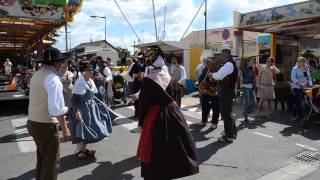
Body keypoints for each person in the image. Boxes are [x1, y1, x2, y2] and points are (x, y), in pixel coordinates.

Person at [135, 46, 199, 180]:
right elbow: (172, 93)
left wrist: (141, 122)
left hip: (156, 116)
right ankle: (169, 172)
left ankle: (157, 174)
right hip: (173, 112)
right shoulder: (166, 75)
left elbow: (144, 103)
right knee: (173, 146)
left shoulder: (149, 79)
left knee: (155, 148)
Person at [27, 47, 71, 180]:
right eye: (62, 62)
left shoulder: (37, 74)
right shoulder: (53, 78)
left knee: (42, 159)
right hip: (45, 125)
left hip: (33, 122)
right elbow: (56, 110)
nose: (63, 65)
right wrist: (65, 129)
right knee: (51, 164)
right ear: (56, 63)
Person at [69, 63, 116, 160]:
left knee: (90, 128)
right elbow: (74, 99)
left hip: (90, 108)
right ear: (84, 71)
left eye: (92, 71)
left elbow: (92, 95)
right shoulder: (80, 83)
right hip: (82, 108)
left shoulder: (90, 81)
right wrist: (77, 111)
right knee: (82, 128)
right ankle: (78, 151)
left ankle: (84, 149)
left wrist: (101, 102)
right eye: (89, 71)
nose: (92, 73)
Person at [208, 47, 238, 143]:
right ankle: (231, 133)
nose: (220, 56)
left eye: (221, 55)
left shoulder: (229, 64)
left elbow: (219, 76)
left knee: (226, 114)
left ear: (225, 56)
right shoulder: (229, 64)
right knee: (228, 113)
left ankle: (229, 136)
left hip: (226, 92)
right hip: (227, 91)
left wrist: (212, 75)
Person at [198, 57, 220, 129]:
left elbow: (221, 81)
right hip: (206, 91)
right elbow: (201, 78)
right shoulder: (206, 69)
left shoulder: (220, 69)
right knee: (205, 106)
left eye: (211, 63)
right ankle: (204, 121)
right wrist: (201, 84)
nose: (210, 64)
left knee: (216, 107)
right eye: (209, 63)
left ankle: (214, 122)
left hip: (215, 92)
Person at [291, 57, 313, 123]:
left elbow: (308, 77)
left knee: (301, 102)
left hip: (305, 87)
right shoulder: (295, 69)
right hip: (297, 87)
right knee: (300, 102)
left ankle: (298, 115)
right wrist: (301, 84)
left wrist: (310, 83)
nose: (301, 62)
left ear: (304, 62)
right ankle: (299, 116)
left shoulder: (306, 69)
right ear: (297, 62)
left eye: (302, 61)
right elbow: (293, 78)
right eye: (299, 61)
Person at [129, 54, 146, 118]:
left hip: (144, 83)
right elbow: (130, 73)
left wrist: (144, 75)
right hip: (136, 84)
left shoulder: (147, 65)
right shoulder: (135, 65)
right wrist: (135, 75)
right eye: (139, 59)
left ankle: (143, 113)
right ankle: (137, 113)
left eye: (141, 59)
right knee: (136, 99)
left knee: (144, 99)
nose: (140, 60)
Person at [240, 57, 257, 122]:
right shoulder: (243, 69)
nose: (253, 62)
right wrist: (242, 87)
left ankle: (245, 112)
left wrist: (255, 80)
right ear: (247, 62)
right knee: (248, 102)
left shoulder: (252, 69)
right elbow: (241, 78)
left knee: (254, 102)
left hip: (251, 87)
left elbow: (253, 78)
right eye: (251, 61)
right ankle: (246, 117)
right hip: (245, 87)